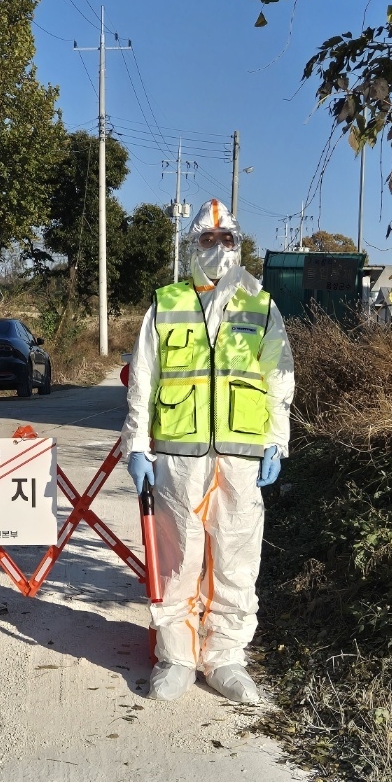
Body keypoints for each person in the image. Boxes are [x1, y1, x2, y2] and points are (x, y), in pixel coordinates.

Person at [122, 198, 295, 704]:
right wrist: (137, 445)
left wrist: (276, 442)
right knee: (179, 558)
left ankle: (226, 658)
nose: (218, 248)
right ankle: (175, 657)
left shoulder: (260, 306)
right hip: (179, 456)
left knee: (236, 559)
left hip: (241, 457)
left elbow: (279, 379)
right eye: (208, 239)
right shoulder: (167, 303)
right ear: (191, 244)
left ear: (239, 245)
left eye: (227, 240)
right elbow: (143, 380)